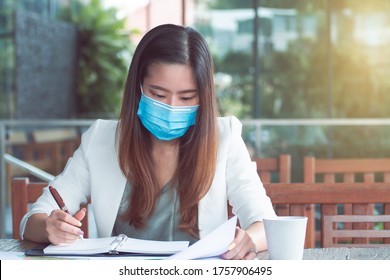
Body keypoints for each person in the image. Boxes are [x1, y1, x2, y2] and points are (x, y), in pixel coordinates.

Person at [21, 24, 276, 260]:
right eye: (158, 94)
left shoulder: (224, 137)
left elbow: (265, 222)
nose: (172, 107)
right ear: (138, 87)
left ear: (204, 96)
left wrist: (249, 240)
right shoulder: (101, 140)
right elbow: (32, 220)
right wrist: (50, 227)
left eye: (187, 97)